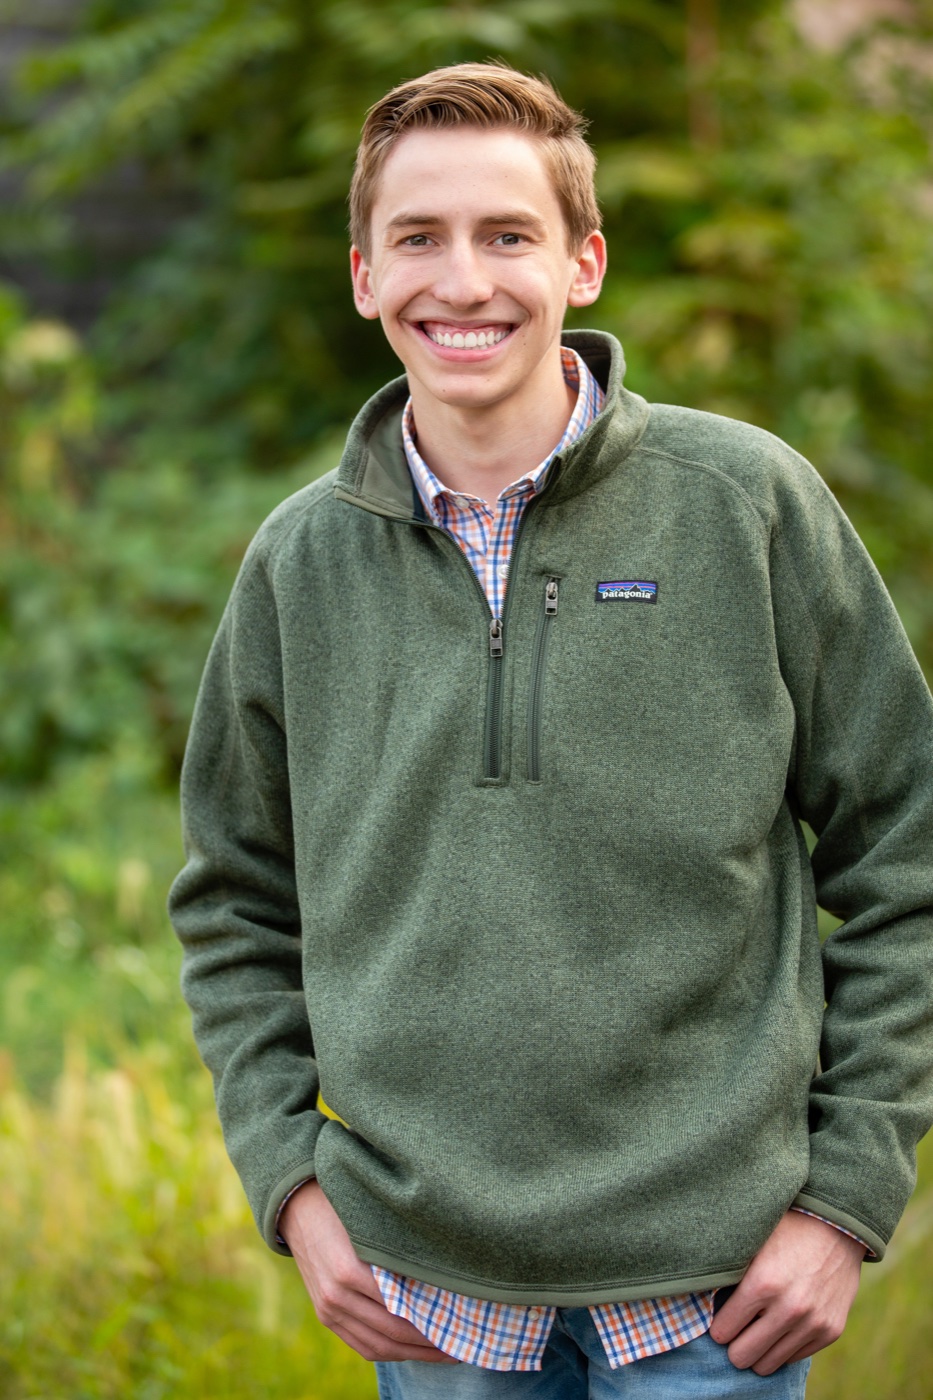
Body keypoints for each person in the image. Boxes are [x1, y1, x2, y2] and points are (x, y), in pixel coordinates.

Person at [169, 62, 933, 1399]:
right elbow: (234, 902)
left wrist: (845, 1198)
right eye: (418, 237)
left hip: (717, 1299)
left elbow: (908, 854)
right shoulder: (301, 563)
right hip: (431, 1304)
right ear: (362, 275)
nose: (461, 281)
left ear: (581, 263)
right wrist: (288, 1178)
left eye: (505, 235)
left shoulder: (745, 508)